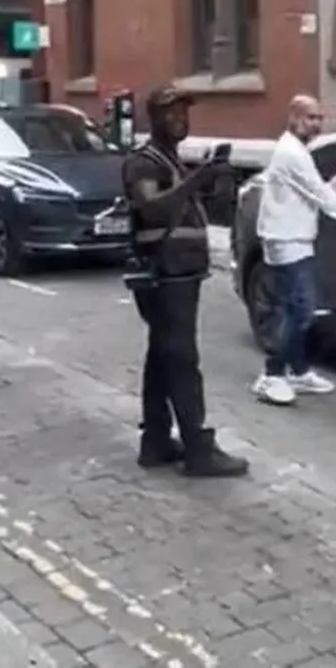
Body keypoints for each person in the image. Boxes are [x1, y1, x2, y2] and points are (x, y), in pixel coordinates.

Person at [122, 85, 249, 478]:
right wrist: (197, 179)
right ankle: (198, 448)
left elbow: (187, 207)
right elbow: (153, 209)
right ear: (153, 118)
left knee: (162, 357)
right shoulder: (142, 163)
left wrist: (217, 183)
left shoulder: (173, 161)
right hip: (164, 276)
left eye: (184, 111)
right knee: (181, 359)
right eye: (170, 112)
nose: (180, 118)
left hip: (181, 273)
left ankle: (156, 441)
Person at [251, 94, 336, 405]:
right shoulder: (292, 153)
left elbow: (309, 191)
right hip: (287, 240)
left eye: (319, 117)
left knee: (294, 308)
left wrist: (328, 189)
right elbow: (321, 198)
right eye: (310, 117)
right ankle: (271, 375)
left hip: (294, 238)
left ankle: (298, 371)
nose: (317, 123)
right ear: (294, 118)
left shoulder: (296, 150)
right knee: (300, 310)